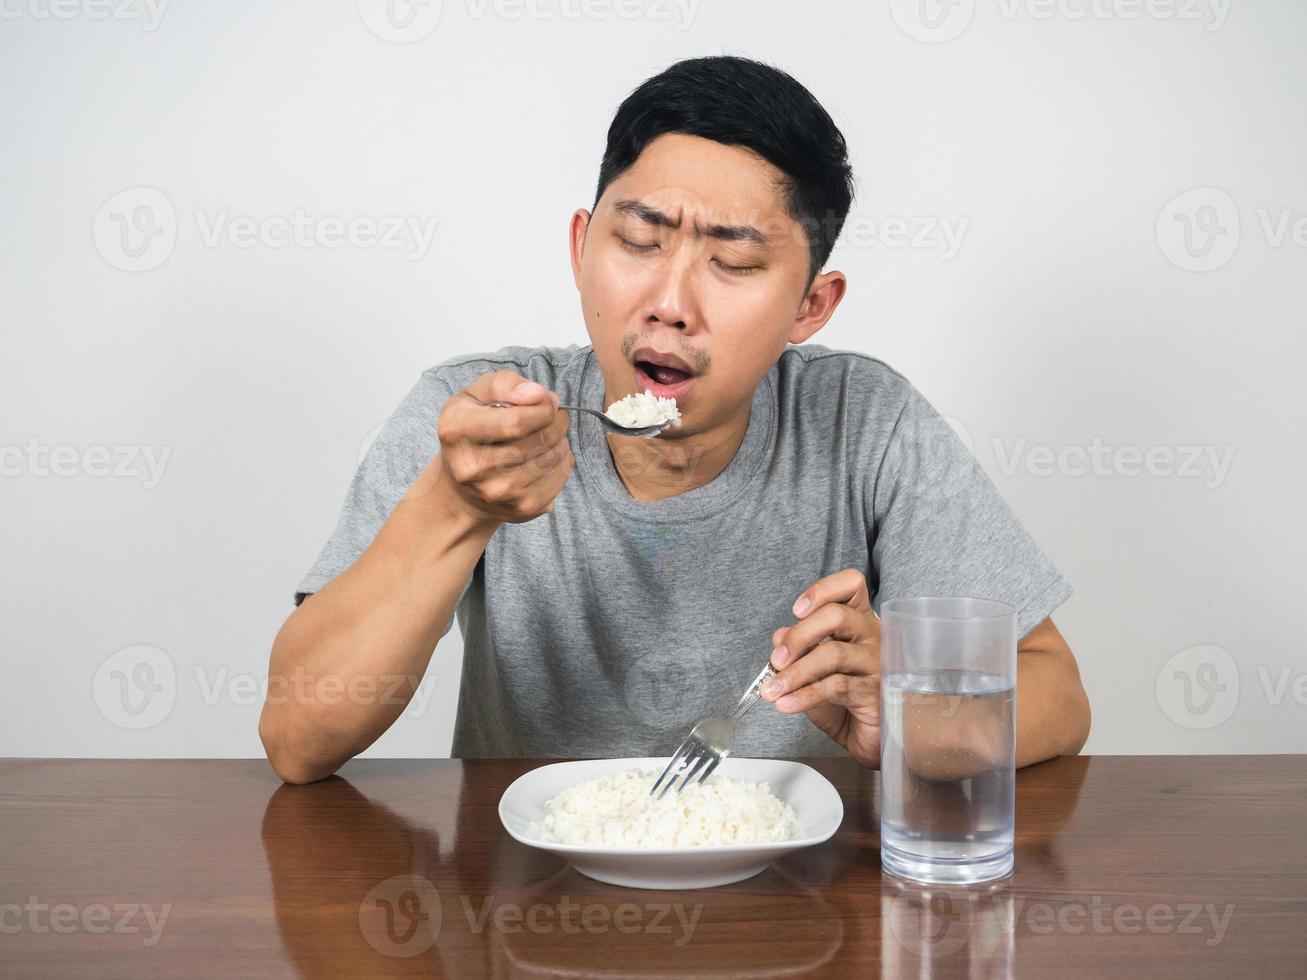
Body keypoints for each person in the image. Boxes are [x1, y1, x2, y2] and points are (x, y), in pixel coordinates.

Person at [259, 55, 1090, 784]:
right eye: (639, 241)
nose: (669, 304)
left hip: (803, 906)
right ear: (581, 248)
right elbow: (298, 739)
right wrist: (455, 507)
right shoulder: (477, 419)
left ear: (810, 304)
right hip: (527, 906)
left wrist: (907, 712)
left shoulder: (867, 423)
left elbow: (1056, 695)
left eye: (732, 262)